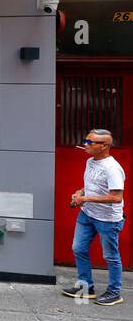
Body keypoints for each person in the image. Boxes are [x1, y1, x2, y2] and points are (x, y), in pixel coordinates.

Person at [63, 129, 126, 306]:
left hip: (107, 219)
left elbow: (116, 197)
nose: (85, 145)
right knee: (78, 248)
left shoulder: (112, 169)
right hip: (87, 214)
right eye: (85, 141)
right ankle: (86, 287)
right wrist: (80, 192)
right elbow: (92, 185)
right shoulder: (90, 161)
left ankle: (114, 292)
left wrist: (85, 199)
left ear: (104, 146)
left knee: (110, 256)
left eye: (90, 142)